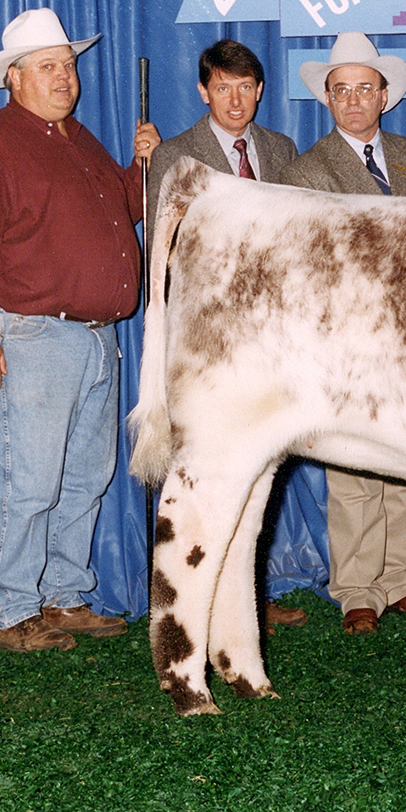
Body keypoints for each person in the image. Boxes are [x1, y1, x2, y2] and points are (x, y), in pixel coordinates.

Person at [0, 7, 160, 652]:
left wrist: (141, 171)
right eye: (49, 67)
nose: (66, 77)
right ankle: (12, 610)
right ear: (14, 77)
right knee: (26, 479)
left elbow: (121, 211)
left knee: (88, 474)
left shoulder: (78, 140)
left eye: (69, 65)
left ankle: (63, 595)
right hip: (32, 335)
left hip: (97, 339)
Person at [277, 31, 406, 634]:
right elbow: (307, 264)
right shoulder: (306, 170)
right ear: (327, 99)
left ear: (385, 97)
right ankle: (355, 589)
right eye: (341, 90)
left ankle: (397, 580)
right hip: (347, 343)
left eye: (365, 89)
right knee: (352, 465)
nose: (354, 100)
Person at [144, 38, 306, 633]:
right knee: (200, 466)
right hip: (203, 336)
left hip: (268, 333)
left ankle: (246, 600)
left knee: (258, 464)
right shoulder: (175, 156)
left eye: (245, 88)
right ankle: (187, 597)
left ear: (259, 91)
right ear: (203, 91)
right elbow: (164, 252)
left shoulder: (281, 149)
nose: (235, 99)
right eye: (222, 88)